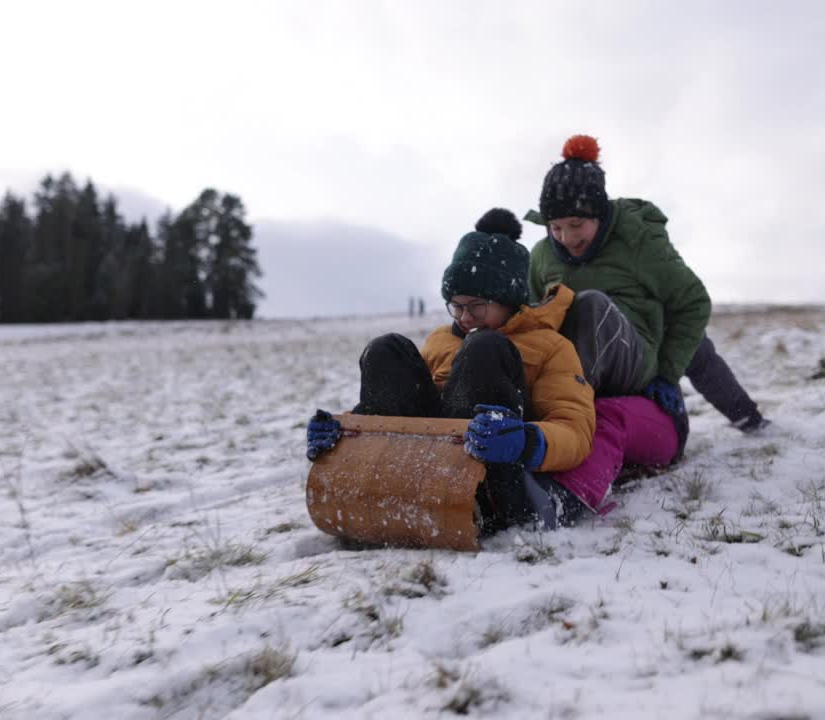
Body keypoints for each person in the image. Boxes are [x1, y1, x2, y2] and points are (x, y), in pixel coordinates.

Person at [307, 216, 679, 530]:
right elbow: (412, 402)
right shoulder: (441, 340)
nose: (465, 317)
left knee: (485, 348)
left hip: (497, 483)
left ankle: (480, 499)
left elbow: (576, 429)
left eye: (478, 306)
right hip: (424, 464)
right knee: (386, 350)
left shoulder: (551, 347)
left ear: (509, 300)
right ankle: (379, 476)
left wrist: (527, 441)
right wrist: (348, 430)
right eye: (456, 306)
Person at [522, 134, 769, 435]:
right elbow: (535, 321)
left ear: (599, 214)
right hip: (575, 369)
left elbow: (691, 302)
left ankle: (748, 419)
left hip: (638, 352)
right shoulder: (542, 256)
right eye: (556, 227)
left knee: (691, 344)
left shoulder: (638, 240)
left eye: (577, 225)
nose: (567, 238)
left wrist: (666, 374)